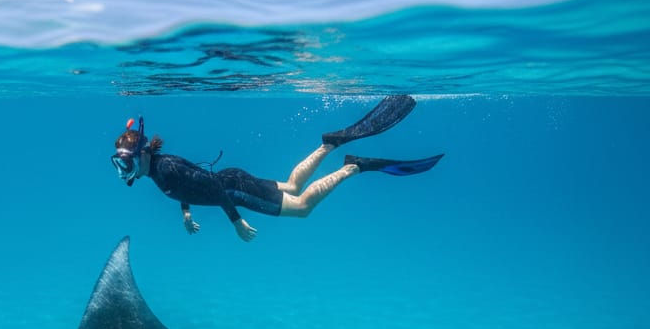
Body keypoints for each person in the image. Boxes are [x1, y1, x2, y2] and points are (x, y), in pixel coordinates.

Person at [111, 95, 443, 241]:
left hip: (232, 190)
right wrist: (186, 214)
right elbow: (190, 183)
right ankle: (330, 143)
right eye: (119, 163)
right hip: (232, 178)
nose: (123, 169)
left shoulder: (163, 171)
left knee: (300, 209)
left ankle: (352, 167)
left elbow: (208, 188)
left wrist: (237, 223)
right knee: (291, 186)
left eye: (124, 161)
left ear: (140, 154)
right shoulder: (159, 168)